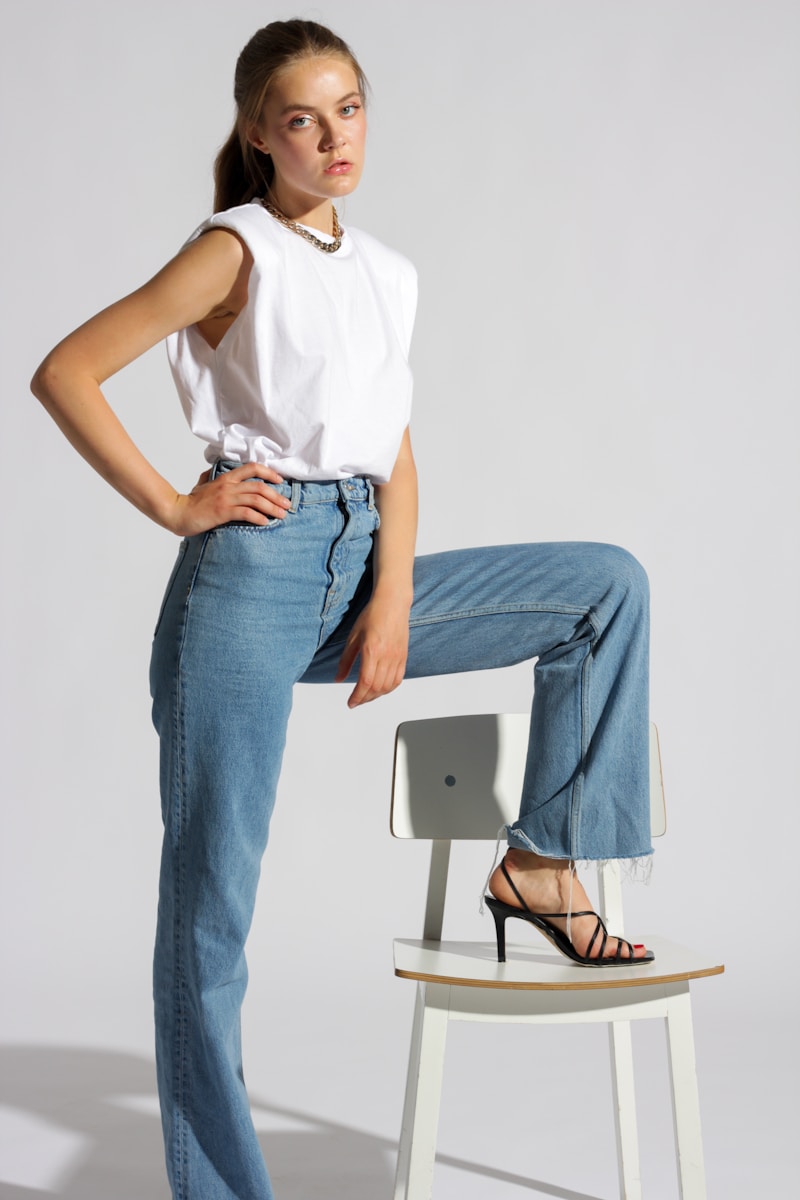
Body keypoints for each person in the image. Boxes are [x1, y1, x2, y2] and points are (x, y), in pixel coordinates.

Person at [31, 18, 655, 1200]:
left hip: (363, 566)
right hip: (249, 582)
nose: (332, 136)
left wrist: (393, 604)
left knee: (601, 586)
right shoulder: (235, 251)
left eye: (350, 108)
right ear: (259, 135)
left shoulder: (388, 274)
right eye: (303, 118)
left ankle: (538, 863)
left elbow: (393, 452)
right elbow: (66, 368)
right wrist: (178, 505)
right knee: (211, 912)